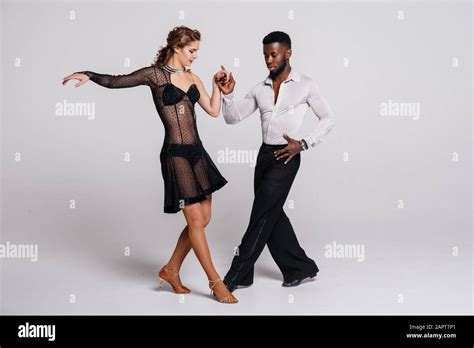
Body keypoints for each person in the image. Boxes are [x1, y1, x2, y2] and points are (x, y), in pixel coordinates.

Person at [62, 25, 238, 304]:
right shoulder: (154, 75)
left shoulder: (193, 77)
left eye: (197, 52)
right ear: (177, 47)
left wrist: (221, 88)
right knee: (194, 220)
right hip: (175, 154)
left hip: (198, 152)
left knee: (204, 219)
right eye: (192, 51)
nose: (195, 56)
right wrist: (89, 74)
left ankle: (170, 270)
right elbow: (117, 81)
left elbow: (214, 111)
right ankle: (216, 283)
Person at [216, 31, 334, 292]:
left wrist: (303, 143)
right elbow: (232, 118)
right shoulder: (260, 89)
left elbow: (328, 118)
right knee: (271, 214)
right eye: (265, 55)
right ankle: (299, 268)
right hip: (264, 156)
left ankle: (237, 276)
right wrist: (227, 95)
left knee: (260, 215)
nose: (269, 60)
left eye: (274, 54)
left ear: (288, 53)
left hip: (287, 156)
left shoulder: (306, 85)